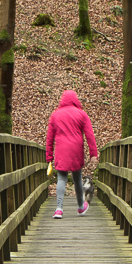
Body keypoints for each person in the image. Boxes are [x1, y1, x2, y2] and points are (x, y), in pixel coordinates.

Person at [46, 90, 98, 219]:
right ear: (75, 100)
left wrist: (49, 157)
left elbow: (49, 138)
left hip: (61, 150)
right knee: (77, 178)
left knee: (61, 179)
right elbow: (89, 135)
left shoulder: (55, 115)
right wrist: (93, 153)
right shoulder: (81, 114)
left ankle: (59, 209)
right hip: (76, 150)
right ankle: (80, 206)